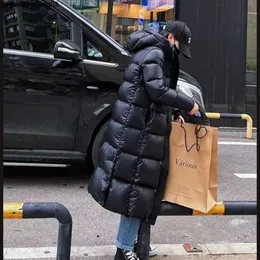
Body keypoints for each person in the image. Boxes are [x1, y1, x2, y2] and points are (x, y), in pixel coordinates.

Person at [88, 20, 199, 260]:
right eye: (180, 46)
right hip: (137, 131)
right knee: (134, 193)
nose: (179, 52)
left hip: (141, 128)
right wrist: (187, 103)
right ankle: (124, 249)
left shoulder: (154, 51)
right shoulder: (155, 53)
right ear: (171, 38)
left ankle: (136, 243)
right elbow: (157, 90)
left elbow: (154, 94)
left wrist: (175, 112)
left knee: (140, 191)